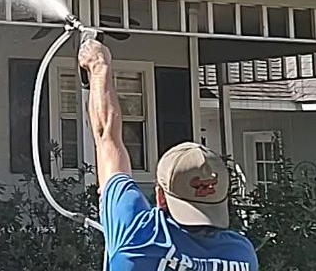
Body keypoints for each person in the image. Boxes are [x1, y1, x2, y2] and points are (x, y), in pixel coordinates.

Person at [77, 40, 258, 271]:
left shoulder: (138, 235)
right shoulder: (242, 255)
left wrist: (98, 66)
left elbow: (108, 139)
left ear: (161, 197)